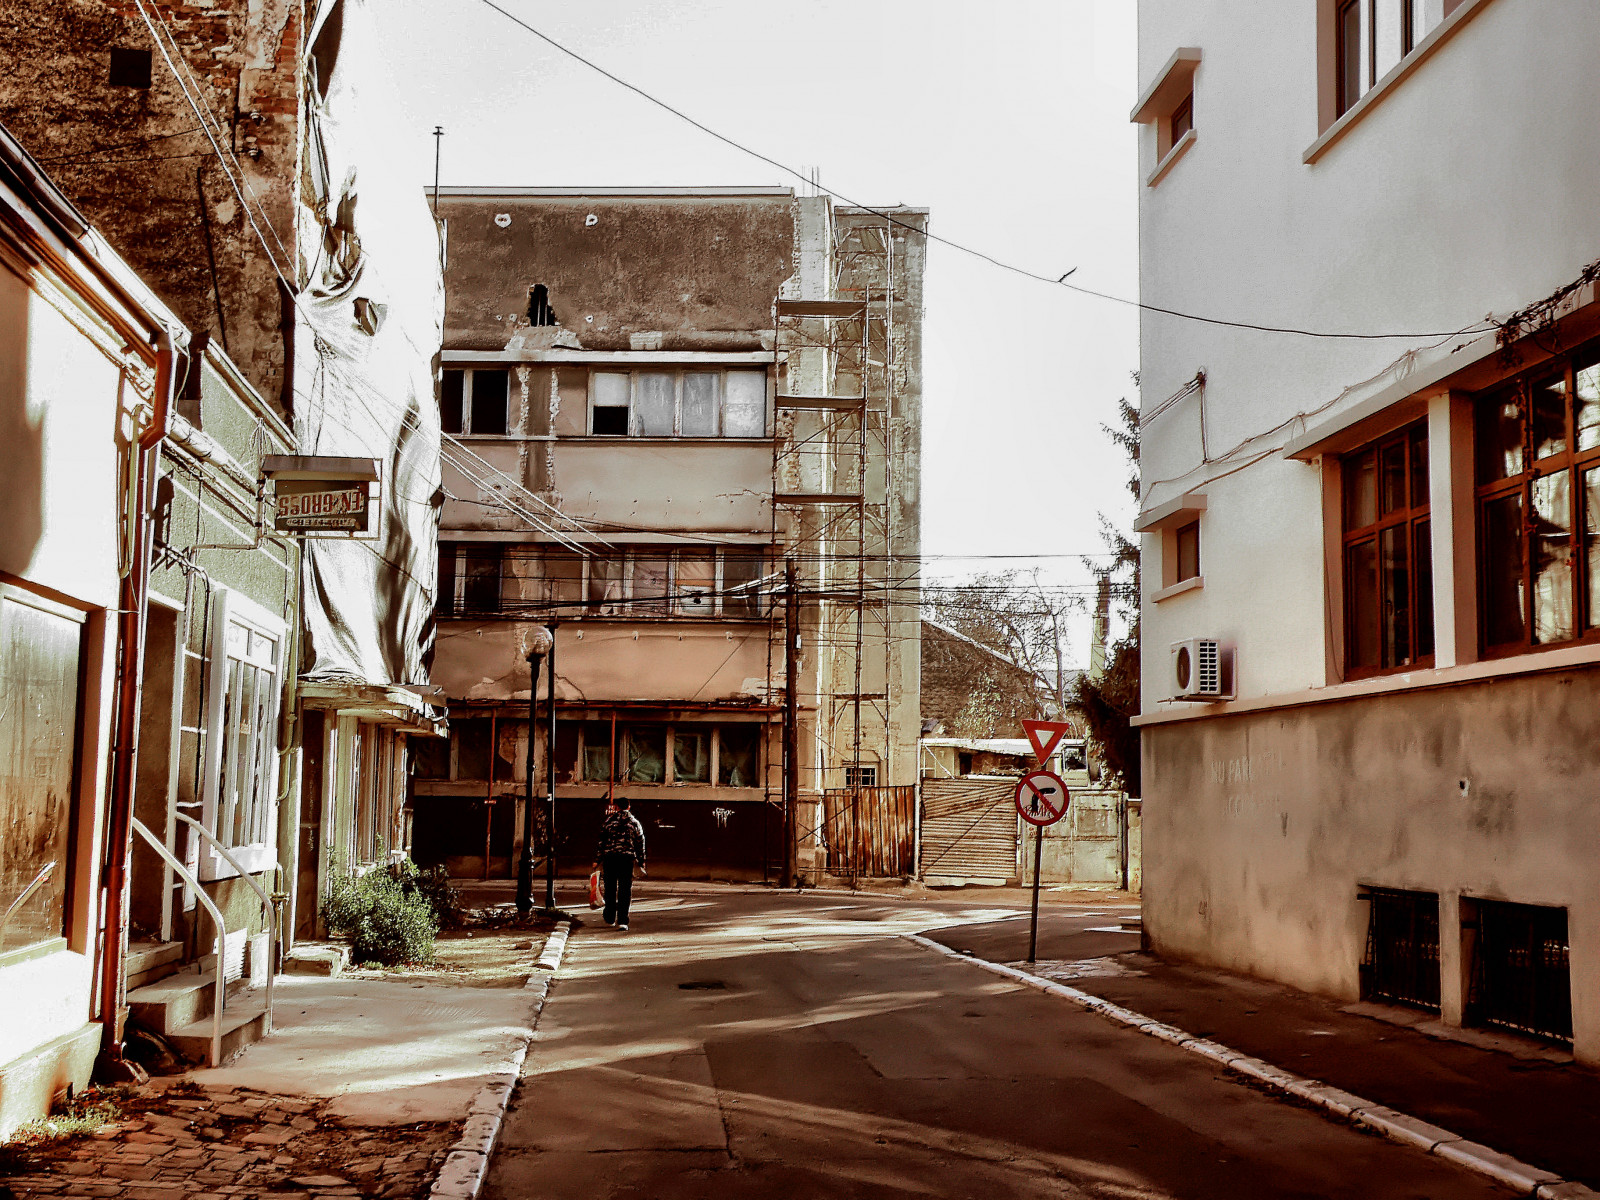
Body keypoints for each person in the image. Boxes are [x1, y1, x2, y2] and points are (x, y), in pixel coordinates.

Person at [594, 795, 646, 931]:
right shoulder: (634, 822)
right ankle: (622, 920)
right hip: (626, 859)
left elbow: (601, 842)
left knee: (610, 888)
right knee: (625, 890)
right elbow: (640, 843)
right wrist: (641, 861)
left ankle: (610, 917)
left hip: (610, 858)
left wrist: (597, 860)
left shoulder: (609, 821)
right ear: (629, 807)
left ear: (616, 807)